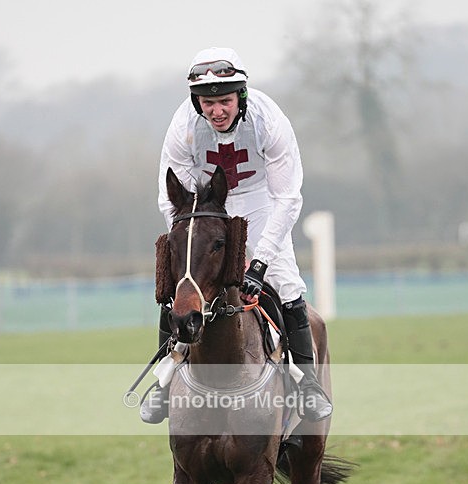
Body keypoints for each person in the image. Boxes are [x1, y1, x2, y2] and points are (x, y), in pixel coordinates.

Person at [141, 46, 332, 426]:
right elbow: (170, 198)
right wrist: (188, 244)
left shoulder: (269, 120)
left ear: (240, 97)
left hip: (263, 202)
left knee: (286, 283)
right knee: (179, 287)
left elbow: (288, 197)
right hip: (207, 206)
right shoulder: (182, 127)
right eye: (207, 103)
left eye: (225, 100)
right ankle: (163, 379)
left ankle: (308, 385)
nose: (217, 111)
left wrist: (257, 262)